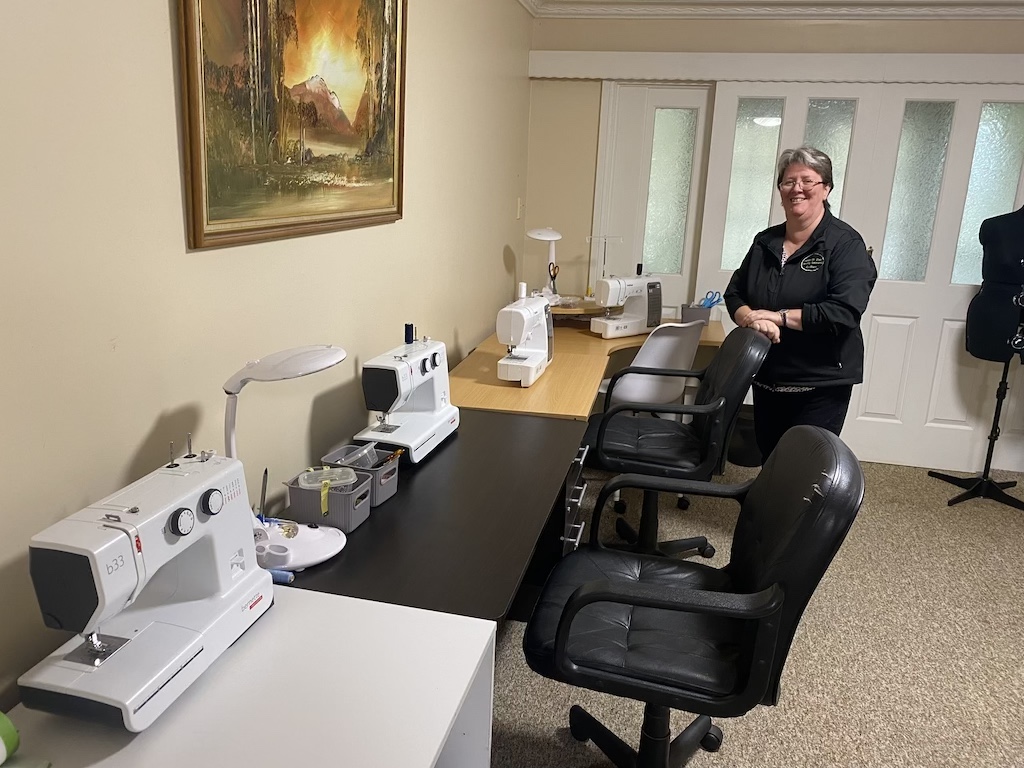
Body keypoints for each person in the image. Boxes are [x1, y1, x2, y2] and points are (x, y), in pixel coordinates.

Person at [723, 146, 877, 461]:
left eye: (807, 181)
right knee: (770, 457)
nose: (797, 189)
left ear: (826, 189)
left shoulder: (845, 244)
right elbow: (735, 293)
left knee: (802, 467)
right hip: (767, 377)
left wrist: (778, 317)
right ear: (780, 190)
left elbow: (844, 311)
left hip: (819, 384)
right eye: (788, 182)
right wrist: (752, 319)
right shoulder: (765, 242)